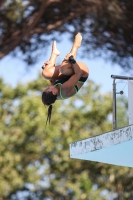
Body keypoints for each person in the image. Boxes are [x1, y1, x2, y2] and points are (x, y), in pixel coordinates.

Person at [41, 33, 89, 125]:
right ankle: (76, 46)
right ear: (54, 92)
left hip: (68, 75)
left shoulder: (54, 92)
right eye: (48, 88)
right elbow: (78, 73)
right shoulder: (65, 90)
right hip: (81, 72)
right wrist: (72, 61)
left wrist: (46, 67)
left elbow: (52, 81)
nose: (48, 86)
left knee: (45, 74)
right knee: (64, 69)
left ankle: (55, 53)